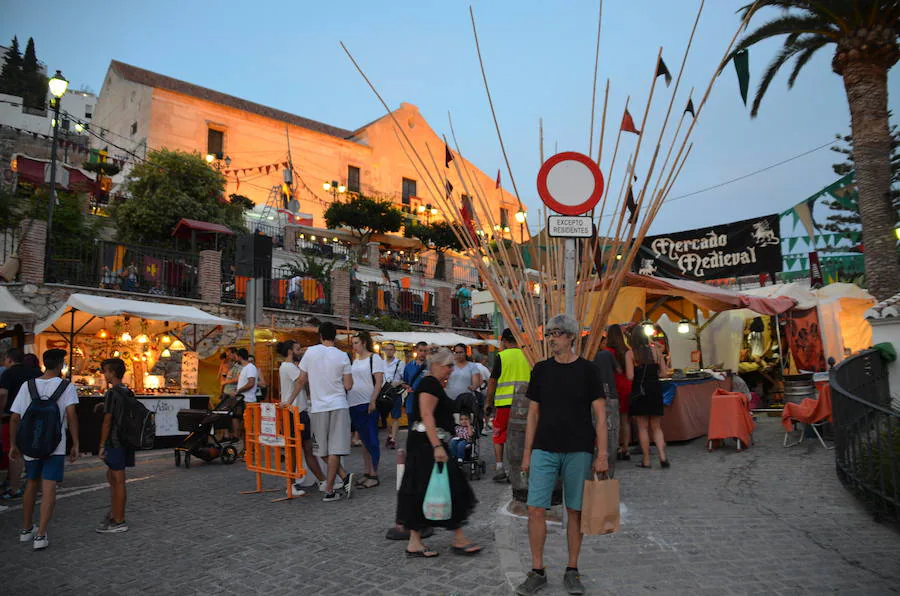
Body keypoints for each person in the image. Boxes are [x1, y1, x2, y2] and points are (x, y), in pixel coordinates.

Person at [516, 315, 607, 596]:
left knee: (575, 511)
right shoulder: (541, 370)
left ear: (571, 337)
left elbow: (601, 416)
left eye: (556, 333)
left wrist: (602, 453)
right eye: (549, 333)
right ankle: (538, 570)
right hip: (544, 448)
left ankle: (572, 569)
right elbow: (533, 414)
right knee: (535, 508)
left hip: (579, 449)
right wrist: (527, 453)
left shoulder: (588, 371)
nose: (551, 338)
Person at [396, 346, 481, 558]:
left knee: (424, 488)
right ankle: (456, 538)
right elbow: (426, 415)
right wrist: (436, 447)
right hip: (427, 444)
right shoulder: (429, 384)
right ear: (435, 365)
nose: (451, 369)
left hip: (427, 443)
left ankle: (418, 542)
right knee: (448, 485)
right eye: (448, 365)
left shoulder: (432, 384)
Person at [8, 349, 79, 550]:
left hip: (31, 445)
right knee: (49, 488)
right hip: (55, 445)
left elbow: (15, 417)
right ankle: (41, 535)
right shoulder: (66, 386)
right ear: (60, 365)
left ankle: (26, 528)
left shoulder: (28, 386)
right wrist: (76, 443)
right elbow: (72, 415)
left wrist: (14, 445)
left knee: (31, 483)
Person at [298, 322, 355, 502]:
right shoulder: (343, 356)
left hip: (318, 407)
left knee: (319, 449)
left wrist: (288, 400)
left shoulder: (310, 353)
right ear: (335, 336)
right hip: (338, 404)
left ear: (320, 335)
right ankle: (339, 481)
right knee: (335, 449)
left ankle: (332, 486)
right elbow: (348, 385)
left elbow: (301, 380)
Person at [277, 341, 325, 496]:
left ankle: (321, 480)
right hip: (295, 412)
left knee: (306, 448)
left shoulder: (288, 367)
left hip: (298, 411)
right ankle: (291, 485)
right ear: (291, 351)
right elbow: (302, 380)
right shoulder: (289, 367)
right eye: (297, 349)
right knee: (298, 449)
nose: (300, 351)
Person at [486, 329, 531, 483]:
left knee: (499, 434)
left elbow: (492, 381)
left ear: (504, 341)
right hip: (525, 404)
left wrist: (488, 402)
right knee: (526, 434)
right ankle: (525, 468)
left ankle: (500, 468)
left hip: (504, 404)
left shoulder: (502, 356)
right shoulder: (528, 355)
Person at [96, 357, 134, 534]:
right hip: (126, 439)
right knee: (114, 477)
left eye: (105, 371)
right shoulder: (127, 390)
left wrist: (102, 444)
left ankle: (119, 520)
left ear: (112, 373)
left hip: (115, 440)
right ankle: (114, 513)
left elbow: (107, 421)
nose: (104, 375)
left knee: (117, 480)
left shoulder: (112, 393)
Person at [0, 348, 42, 501]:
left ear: (10, 359)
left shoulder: (8, 374)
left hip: (12, 417)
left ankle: (15, 487)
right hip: (36, 417)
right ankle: (36, 486)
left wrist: (1, 410)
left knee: (15, 451)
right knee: (34, 451)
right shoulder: (35, 373)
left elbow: (3, 394)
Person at [630, 325, 671, 470]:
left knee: (642, 428)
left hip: (640, 391)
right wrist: (655, 376)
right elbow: (665, 373)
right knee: (656, 427)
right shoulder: (656, 351)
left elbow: (630, 376)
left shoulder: (631, 354)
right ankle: (662, 456)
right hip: (654, 389)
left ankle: (646, 460)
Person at [348, 331, 384, 489]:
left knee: (371, 439)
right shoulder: (355, 360)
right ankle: (367, 472)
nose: (354, 346)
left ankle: (374, 474)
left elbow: (378, 382)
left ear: (363, 342)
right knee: (363, 440)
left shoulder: (374, 358)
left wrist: (373, 400)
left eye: (356, 343)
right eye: (353, 343)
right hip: (354, 402)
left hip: (367, 402)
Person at [605, 324, 634, 461]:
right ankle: (626, 448)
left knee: (615, 420)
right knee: (625, 420)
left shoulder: (608, 351)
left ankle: (616, 447)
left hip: (615, 386)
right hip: (627, 386)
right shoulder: (626, 350)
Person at [380, 342, 405, 449]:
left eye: (391, 349)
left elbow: (404, 378)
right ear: (384, 351)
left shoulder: (400, 363)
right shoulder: (381, 363)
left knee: (395, 416)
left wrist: (397, 382)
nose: (389, 351)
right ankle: (390, 434)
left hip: (394, 392)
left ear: (394, 351)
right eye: (387, 349)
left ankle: (393, 439)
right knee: (384, 417)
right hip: (384, 392)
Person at [401, 341, 429, 426]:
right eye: (421, 350)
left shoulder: (431, 366)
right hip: (412, 401)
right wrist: (407, 387)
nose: (423, 353)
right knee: (412, 427)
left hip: (426, 401)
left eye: (425, 351)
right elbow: (404, 382)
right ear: (416, 350)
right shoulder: (409, 366)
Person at [234, 348, 257, 448]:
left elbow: (251, 383)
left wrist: (239, 391)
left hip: (248, 400)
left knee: (249, 426)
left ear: (239, 357)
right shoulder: (245, 368)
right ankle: (245, 449)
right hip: (243, 399)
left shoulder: (250, 367)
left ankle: (250, 449)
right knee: (244, 426)